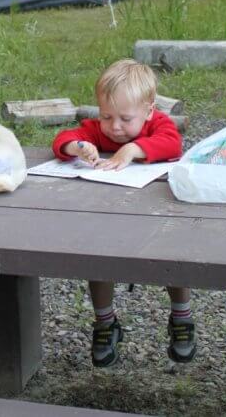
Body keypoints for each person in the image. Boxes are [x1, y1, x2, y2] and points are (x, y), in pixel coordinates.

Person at [51, 58, 194, 367]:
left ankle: (181, 316)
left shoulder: (159, 125)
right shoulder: (98, 131)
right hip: (106, 216)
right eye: (106, 116)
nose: (115, 127)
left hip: (157, 215)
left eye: (125, 118)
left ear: (149, 110)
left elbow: (172, 144)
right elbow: (62, 139)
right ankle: (105, 321)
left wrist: (132, 149)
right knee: (96, 257)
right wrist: (77, 147)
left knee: (172, 255)